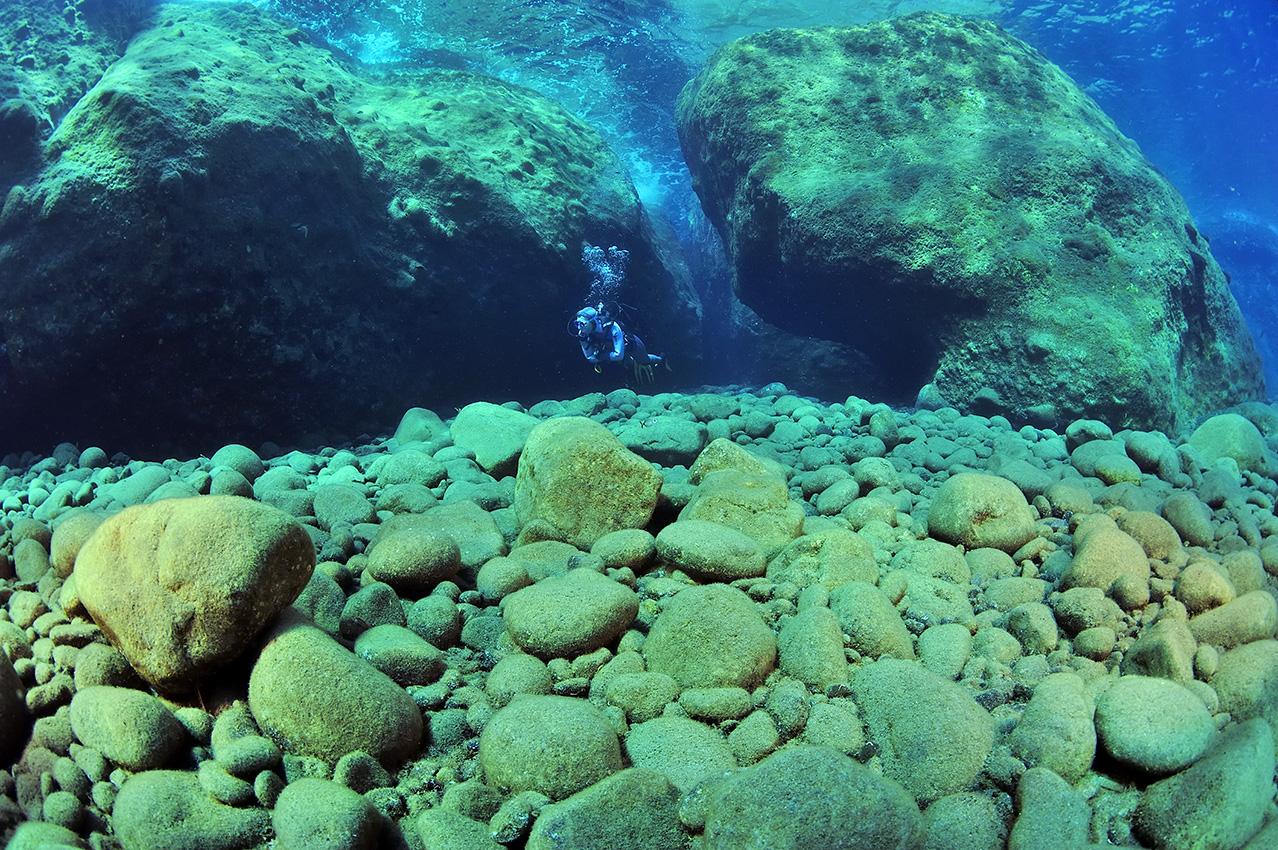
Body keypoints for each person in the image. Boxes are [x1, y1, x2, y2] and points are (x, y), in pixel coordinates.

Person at [570, 302, 664, 383]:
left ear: (593, 321)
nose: (579, 328)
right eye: (576, 323)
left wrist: (601, 356)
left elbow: (618, 355)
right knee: (629, 365)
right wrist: (602, 356)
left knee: (645, 361)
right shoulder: (583, 334)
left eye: (582, 324)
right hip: (614, 351)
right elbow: (589, 357)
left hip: (633, 346)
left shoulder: (612, 327)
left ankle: (662, 359)